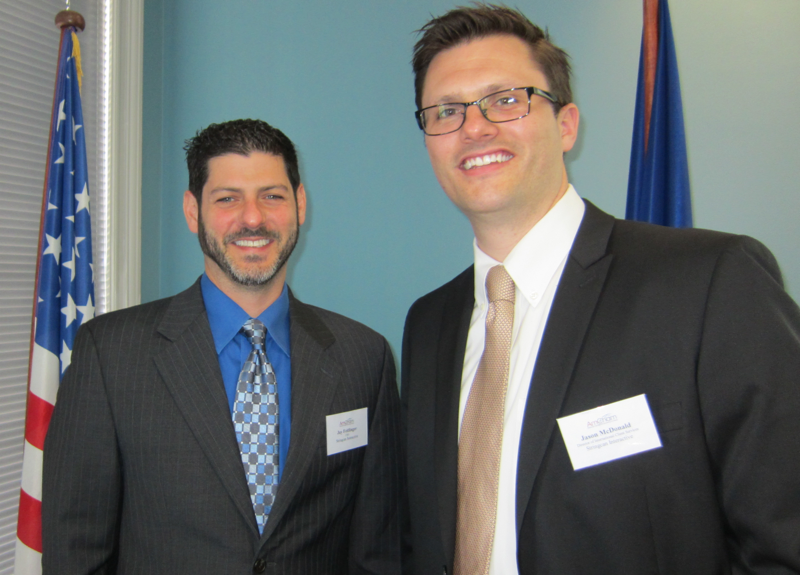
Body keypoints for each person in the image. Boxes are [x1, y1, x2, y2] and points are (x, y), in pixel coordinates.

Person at [401, 5, 800, 575]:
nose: (475, 126)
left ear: (566, 124)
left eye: (507, 99)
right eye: (447, 110)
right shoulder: (428, 324)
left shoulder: (707, 283)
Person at [43, 119, 403, 575]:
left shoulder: (363, 357)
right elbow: (75, 552)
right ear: (193, 211)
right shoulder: (110, 355)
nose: (253, 217)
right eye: (228, 198)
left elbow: (378, 552)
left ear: (300, 205)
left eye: (272, 196)